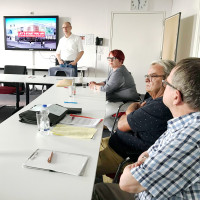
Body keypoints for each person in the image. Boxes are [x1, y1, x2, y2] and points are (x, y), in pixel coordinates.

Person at [92, 57, 200, 200]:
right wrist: (144, 159)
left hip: (136, 184)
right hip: (133, 169)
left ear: (176, 96)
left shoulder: (189, 138)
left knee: (92, 188)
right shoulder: (183, 124)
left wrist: (141, 162)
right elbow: (148, 154)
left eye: (167, 84)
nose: (148, 80)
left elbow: (128, 182)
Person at [96, 60, 176, 177]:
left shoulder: (159, 106)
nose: (146, 79)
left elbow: (121, 125)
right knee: (84, 145)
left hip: (120, 155)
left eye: (153, 76)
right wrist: (133, 111)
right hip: (114, 142)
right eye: (147, 76)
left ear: (167, 80)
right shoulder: (152, 99)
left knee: (81, 165)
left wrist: (131, 109)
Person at [89, 49, 139, 131]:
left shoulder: (119, 72)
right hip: (119, 100)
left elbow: (105, 90)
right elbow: (107, 82)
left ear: (120, 60)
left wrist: (94, 86)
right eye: (109, 58)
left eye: (114, 58)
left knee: (100, 114)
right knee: (101, 114)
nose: (110, 60)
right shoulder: (115, 69)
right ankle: (115, 128)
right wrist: (97, 84)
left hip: (125, 102)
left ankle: (116, 130)